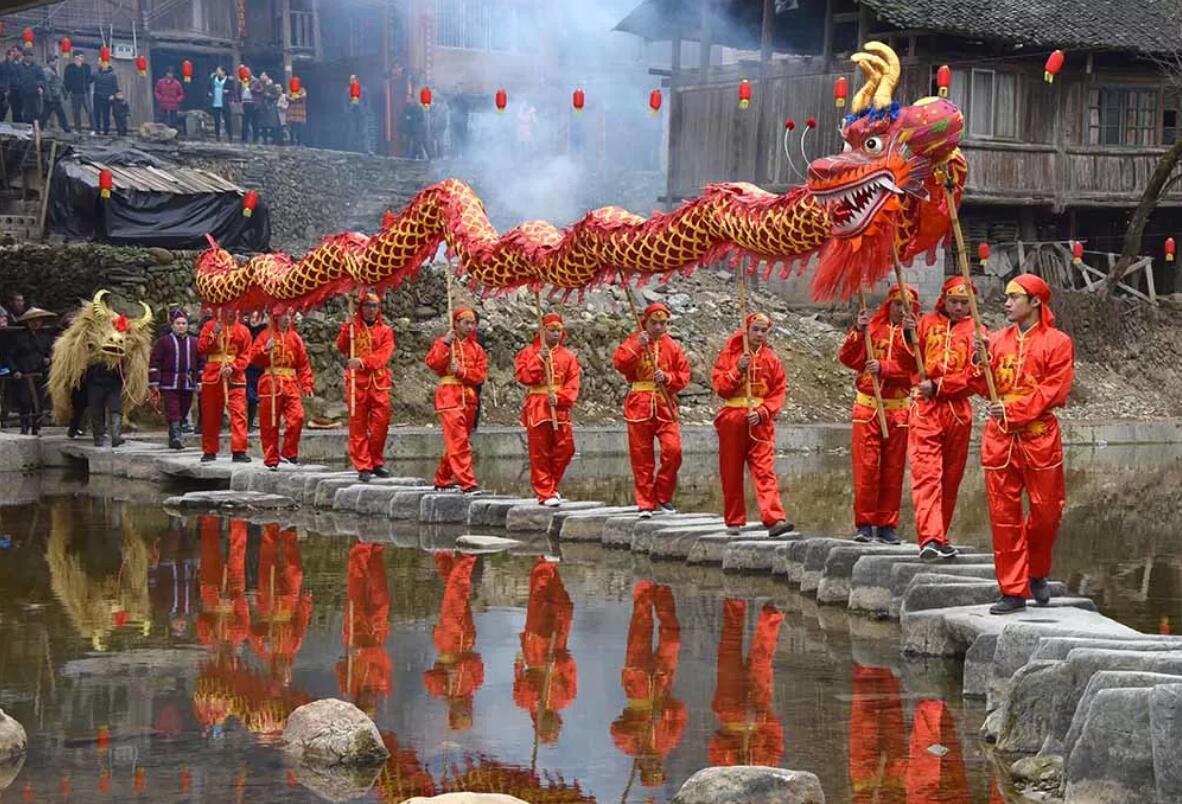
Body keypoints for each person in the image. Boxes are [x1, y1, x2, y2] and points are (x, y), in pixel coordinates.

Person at [976, 274, 1074, 615]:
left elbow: (1053, 391)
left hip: (1039, 437)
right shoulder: (996, 340)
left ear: (1035, 302)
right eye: (1006, 297)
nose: (1006, 303)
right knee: (1004, 516)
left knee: (1047, 512)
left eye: (1014, 297)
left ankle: (1036, 570)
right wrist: (978, 361)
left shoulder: (1058, 342)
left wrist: (1012, 409)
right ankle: (1013, 590)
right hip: (1000, 438)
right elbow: (981, 385)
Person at [910, 277, 985, 562]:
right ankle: (929, 536)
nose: (958, 307)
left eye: (965, 303)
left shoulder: (978, 332)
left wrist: (941, 385)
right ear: (943, 299)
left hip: (958, 410)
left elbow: (977, 379)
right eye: (954, 301)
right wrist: (907, 337)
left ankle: (940, 536)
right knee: (927, 474)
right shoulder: (925, 324)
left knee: (951, 479)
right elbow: (907, 362)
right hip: (926, 408)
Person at [837, 285, 918, 545]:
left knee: (893, 470)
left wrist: (884, 367)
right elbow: (848, 358)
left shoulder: (916, 337)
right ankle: (864, 523)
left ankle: (887, 525)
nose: (901, 311)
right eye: (897, 305)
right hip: (868, 408)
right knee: (866, 469)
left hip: (898, 410)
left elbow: (915, 372)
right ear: (889, 305)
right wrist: (858, 331)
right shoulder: (872, 329)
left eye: (907, 307)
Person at [711, 312, 794, 537]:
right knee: (731, 469)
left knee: (765, 469)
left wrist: (764, 411)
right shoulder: (730, 354)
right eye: (755, 329)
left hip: (760, 421)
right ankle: (734, 520)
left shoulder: (772, 359)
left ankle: (774, 518)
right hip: (733, 418)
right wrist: (737, 369)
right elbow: (720, 387)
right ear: (747, 330)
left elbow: (778, 391)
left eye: (763, 330)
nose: (759, 334)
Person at [612, 302, 689, 517]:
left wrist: (668, 378)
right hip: (640, 404)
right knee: (641, 457)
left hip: (665, 405)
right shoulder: (634, 341)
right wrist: (637, 345)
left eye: (662, 323)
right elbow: (619, 363)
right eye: (654, 323)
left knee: (674, 452)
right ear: (645, 322)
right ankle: (645, 502)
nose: (658, 327)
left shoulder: (672, 346)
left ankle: (663, 496)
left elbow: (683, 376)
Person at [610, 581, 686, 788]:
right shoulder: (669, 742)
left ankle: (644, 587)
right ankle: (662, 589)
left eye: (651, 768)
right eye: (657, 768)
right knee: (672, 636)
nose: (654, 764)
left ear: (642, 767)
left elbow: (616, 728)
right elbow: (680, 711)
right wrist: (665, 711)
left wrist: (637, 735)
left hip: (638, 688)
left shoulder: (630, 747)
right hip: (662, 683)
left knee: (640, 629)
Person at [514, 313, 580, 506]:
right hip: (538, 405)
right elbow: (524, 377)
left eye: (559, 330)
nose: (556, 334)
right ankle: (545, 492)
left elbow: (573, 383)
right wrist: (538, 360)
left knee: (566, 448)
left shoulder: (568, 356)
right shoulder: (529, 353)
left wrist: (560, 398)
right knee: (539, 451)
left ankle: (551, 486)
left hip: (559, 407)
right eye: (552, 330)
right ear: (542, 332)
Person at [708, 599, 784, 766]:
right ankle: (771, 616)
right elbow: (776, 740)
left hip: (729, 708)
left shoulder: (724, 769)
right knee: (761, 661)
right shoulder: (767, 765)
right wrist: (764, 720)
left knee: (729, 651)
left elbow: (715, 745)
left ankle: (734, 604)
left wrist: (732, 754)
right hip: (758, 708)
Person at [513, 558, 577, 744]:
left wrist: (519, 662)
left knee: (538, 600)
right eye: (553, 728)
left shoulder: (523, 702)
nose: (550, 725)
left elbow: (519, 677)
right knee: (563, 607)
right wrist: (558, 663)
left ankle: (542, 563)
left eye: (546, 728)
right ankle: (551, 564)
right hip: (556, 647)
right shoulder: (566, 699)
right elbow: (571, 669)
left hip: (534, 651)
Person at [425, 307, 487, 493]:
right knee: (459, 441)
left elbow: (480, 376)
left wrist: (462, 371)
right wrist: (445, 344)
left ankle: (443, 478)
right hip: (449, 397)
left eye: (473, 323)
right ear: (456, 324)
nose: (470, 327)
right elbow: (433, 363)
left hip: (468, 399)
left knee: (459, 442)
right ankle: (467, 482)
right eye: (466, 323)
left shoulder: (476, 349)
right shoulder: (444, 342)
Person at [336, 290, 395, 482]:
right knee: (357, 425)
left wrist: (363, 362)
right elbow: (342, 346)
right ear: (361, 307)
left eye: (375, 306)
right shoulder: (353, 328)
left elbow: (383, 355)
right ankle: (363, 465)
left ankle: (376, 460)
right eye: (368, 306)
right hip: (357, 382)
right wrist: (346, 328)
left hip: (378, 382)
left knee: (381, 424)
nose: (371, 310)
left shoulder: (385, 331)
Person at [423, 553, 484, 731]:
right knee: (458, 597)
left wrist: (444, 682)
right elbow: (476, 659)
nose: (464, 711)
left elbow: (428, 676)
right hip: (465, 639)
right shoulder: (474, 684)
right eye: (467, 714)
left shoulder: (440, 691)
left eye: (461, 715)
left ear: (452, 713)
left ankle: (465, 558)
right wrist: (460, 665)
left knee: (454, 599)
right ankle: (446, 557)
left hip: (448, 641)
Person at [249, 309, 314, 470]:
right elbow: (253, 358)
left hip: (290, 382)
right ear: (276, 317)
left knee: (297, 417)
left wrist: (306, 384)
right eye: (284, 315)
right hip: (270, 382)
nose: (287, 319)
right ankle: (271, 458)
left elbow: (303, 364)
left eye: (289, 316)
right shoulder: (265, 335)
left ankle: (289, 453)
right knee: (269, 423)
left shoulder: (295, 338)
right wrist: (266, 350)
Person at [197, 308, 252, 463]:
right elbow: (201, 347)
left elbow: (246, 355)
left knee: (239, 413)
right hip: (213, 375)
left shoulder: (243, 330)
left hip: (235, 377)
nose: (231, 312)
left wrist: (233, 367)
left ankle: (239, 450)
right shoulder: (209, 326)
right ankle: (209, 450)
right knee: (210, 415)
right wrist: (213, 334)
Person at [149, 309, 203, 450]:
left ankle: (173, 434)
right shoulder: (164, 342)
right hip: (169, 382)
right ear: (172, 325)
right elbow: (155, 362)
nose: (181, 326)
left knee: (184, 409)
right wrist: (154, 383)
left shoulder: (194, 342)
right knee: (173, 410)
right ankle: (176, 437)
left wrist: (199, 381)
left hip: (187, 382)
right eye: (178, 323)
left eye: (183, 323)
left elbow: (200, 363)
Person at [8, 307, 55, 435]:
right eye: (34, 320)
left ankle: (36, 427)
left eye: (39, 320)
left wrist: (48, 359)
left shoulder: (44, 337)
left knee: (39, 402)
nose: (37, 323)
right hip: (24, 374)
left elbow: (50, 352)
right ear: (28, 322)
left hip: (40, 374)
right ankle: (24, 426)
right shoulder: (19, 337)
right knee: (25, 401)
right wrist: (15, 370)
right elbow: (10, 356)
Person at [244, 310, 267, 431]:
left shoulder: (265, 332)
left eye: (256, 317)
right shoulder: (245, 330)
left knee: (260, 396)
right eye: (252, 317)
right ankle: (248, 422)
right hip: (246, 367)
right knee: (250, 396)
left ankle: (254, 421)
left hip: (260, 368)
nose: (253, 320)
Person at [63, 51, 93, 132]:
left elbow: (89, 78)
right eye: (81, 56)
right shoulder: (69, 67)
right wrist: (66, 92)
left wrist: (80, 68)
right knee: (76, 112)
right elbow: (67, 80)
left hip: (85, 92)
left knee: (89, 110)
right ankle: (78, 128)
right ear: (75, 57)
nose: (82, 58)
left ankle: (93, 128)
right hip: (74, 93)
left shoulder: (86, 67)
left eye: (83, 57)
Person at [40, 56, 70, 132]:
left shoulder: (55, 71)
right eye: (54, 62)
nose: (56, 64)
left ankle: (66, 128)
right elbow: (46, 84)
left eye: (56, 62)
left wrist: (64, 93)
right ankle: (40, 128)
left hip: (56, 96)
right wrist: (49, 97)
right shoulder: (47, 71)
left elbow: (60, 83)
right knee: (45, 114)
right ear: (49, 62)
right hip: (51, 97)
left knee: (60, 114)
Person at [15, 50, 43, 125]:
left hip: (35, 93)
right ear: (24, 56)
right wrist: (21, 85)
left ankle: (36, 130)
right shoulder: (18, 67)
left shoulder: (37, 67)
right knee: (25, 113)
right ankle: (27, 130)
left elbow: (41, 78)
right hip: (24, 94)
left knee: (36, 112)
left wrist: (39, 86)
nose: (29, 57)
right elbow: (16, 79)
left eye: (31, 55)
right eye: (27, 55)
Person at [92, 60, 118, 135]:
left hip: (107, 97)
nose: (98, 63)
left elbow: (115, 86)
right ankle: (97, 130)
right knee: (96, 114)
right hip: (97, 96)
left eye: (99, 62)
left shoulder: (112, 74)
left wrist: (113, 95)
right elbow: (88, 80)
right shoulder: (95, 73)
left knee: (106, 115)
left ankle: (106, 131)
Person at [207, 67, 232, 141]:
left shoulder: (228, 80)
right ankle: (217, 136)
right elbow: (209, 88)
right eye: (217, 71)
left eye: (219, 71)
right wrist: (209, 93)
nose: (217, 72)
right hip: (215, 101)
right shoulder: (212, 79)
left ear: (223, 72)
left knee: (227, 120)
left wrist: (228, 92)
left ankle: (229, 135)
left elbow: (233, 90)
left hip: (224, 102)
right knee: (216, 120)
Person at [257, 73, 281, 145]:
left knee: (272, 125)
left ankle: (274, 140)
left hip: (270, 107)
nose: (261, 77)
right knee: (263, 125)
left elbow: (277, 95)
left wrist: (270, 96)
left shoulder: (272, 86)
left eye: (263, 75)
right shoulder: (262, 85)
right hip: (263, 107)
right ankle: (265, 140)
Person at [240, 72, 258, 143]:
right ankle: (244, 138)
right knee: (245, 121)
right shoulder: (242, 81)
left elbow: (260, 90)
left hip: (253, 102)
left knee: (254, 122)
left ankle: (255, 138)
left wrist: (253, 90)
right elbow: (239, 90)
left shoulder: (256, 81)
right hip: (244, 102)